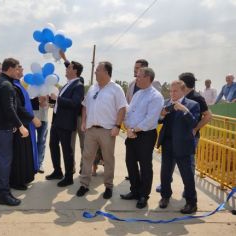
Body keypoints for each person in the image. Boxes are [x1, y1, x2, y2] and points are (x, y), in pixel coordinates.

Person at [76, 61, 127, 199]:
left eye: (97, 70)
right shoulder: (93, 87)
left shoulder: (116, 89)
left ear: (106, 72)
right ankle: (84, 184)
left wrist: (117, 126)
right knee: (87, 157)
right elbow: (85, 105)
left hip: (108, 130)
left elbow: (122, 108)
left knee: (108, 159)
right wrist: (84, 122)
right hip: (91, 129)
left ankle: (108, 186)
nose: (95, 72)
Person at [120, 67, 164, 209]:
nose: (136, 78)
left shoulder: (156, 96)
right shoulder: (137, 94)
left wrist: (134, 129)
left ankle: (144, 195)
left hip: (145, 135)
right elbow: (129, 113)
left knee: (145, 166)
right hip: (132, 133)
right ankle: (135, 190)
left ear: (147, 77)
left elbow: (150, 119)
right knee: (130, 163)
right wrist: (127, 128)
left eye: (138, 76)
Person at [0, 58, 29, 206]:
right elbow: (9, 109)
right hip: (3, 128)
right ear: (11, 69)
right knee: (5, 160)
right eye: (18, 68)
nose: (19, 71)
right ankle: (3, 194)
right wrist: (20, 126)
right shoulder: (6, 85)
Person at [157, 80, 200, 214]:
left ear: (183, 91)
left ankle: (191, 203)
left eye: (175, 91)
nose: (172, 93)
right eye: (170, 91)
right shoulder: (166, 103)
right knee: (165, 173)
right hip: (168, 144)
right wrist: (162, 114)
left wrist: (184, 110)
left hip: (183, 145)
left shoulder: (192, 105)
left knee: (187, 175)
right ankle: (165, 196)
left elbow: (193, 123)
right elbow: (159, 120)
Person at [46, 61, 84, 187]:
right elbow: (60, 102)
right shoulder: (66, 85)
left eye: (69, 67)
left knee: (67, 150)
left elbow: (75, 103)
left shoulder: (78, 85)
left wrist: (58, 99)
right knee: (53, 145)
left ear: (75, 71)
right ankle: (57, 171)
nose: (67, 69)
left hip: (66, 123)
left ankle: (69, 177)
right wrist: (52, 99)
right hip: (57, 121)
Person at [10, 65, 41, 190]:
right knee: (20, 153)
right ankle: (17, 181)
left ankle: (26, 177)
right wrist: (33, 118)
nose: (22, 70)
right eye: (19, 68)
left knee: (26, 152)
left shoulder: (19, 84)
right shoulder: (13, 86)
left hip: (26, 122)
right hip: (20, 124)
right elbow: (18, 107)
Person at [31, 95, 49, 173]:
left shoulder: (49, 88)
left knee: (41, 141)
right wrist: (38, 100)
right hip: (33, 118)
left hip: (44, 118)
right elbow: (27, 102)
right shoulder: (31, 87)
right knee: (30, 141)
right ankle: (31, 163)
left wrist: (47, 102)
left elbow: (53, 102)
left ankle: (39, 163)